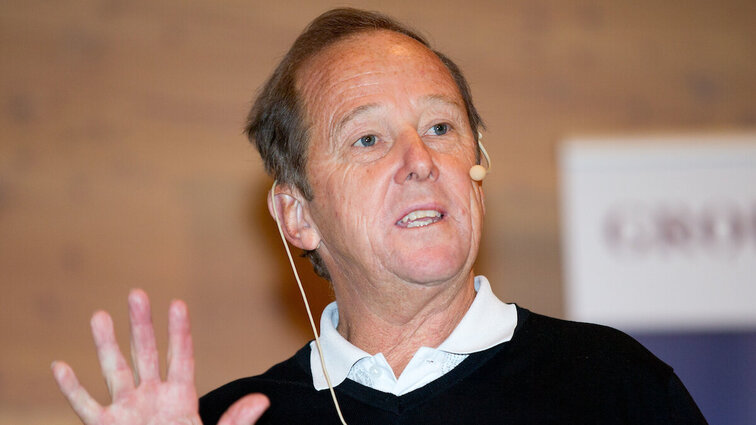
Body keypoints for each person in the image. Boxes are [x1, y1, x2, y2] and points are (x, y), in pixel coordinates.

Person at [52, 8, 707, 425]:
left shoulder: (618, 387)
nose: (420, 160)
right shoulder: (234, 419)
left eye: (441, 127)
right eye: (368, 139)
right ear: (297, 213)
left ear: (478, 167)